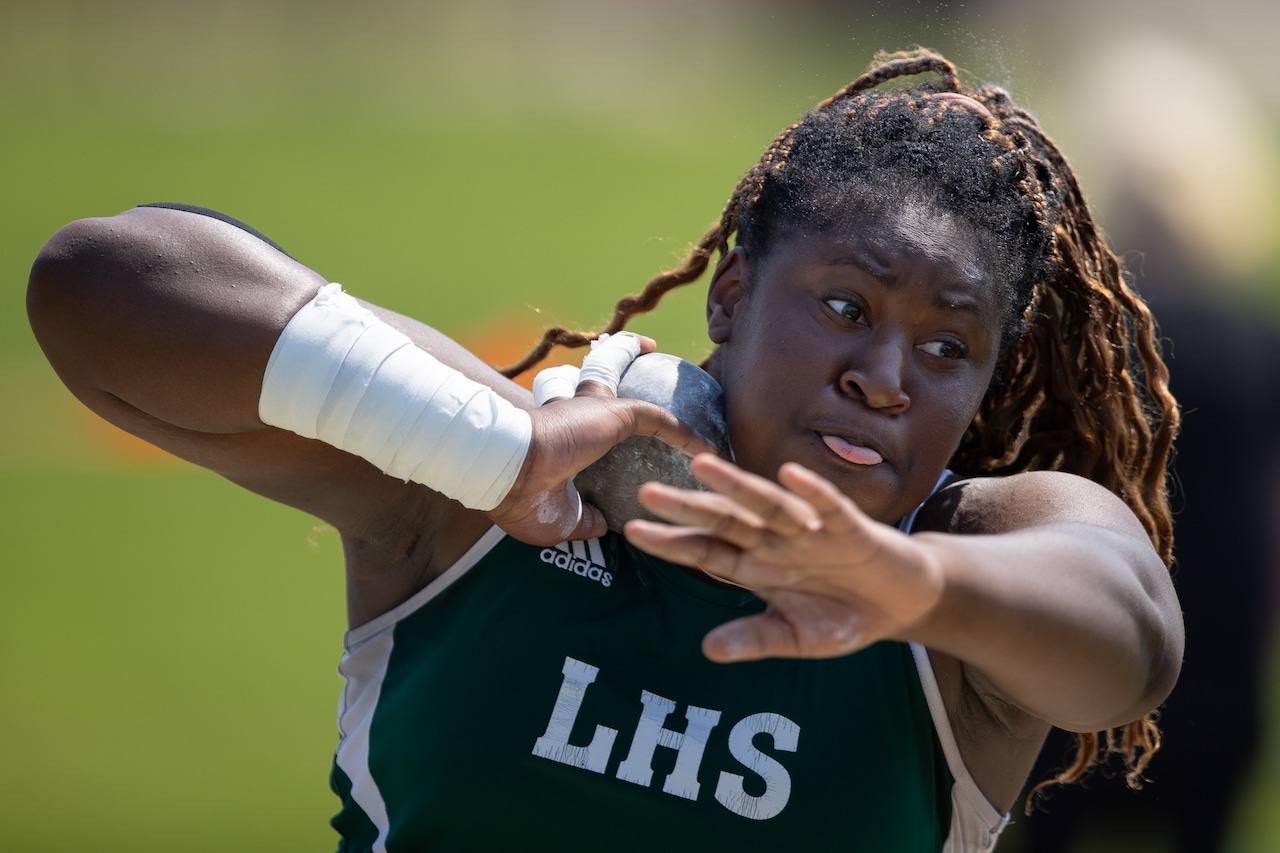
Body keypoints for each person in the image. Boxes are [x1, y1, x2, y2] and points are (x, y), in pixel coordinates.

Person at [25, 49, 1183, 852]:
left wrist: (904, 585)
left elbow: (1130, 638)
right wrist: (487, 444)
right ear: (729, 293)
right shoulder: (495, 476)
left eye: (945, 347)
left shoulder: (968, 576)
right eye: (845, 307)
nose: (884, 375)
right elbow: (102, 286)